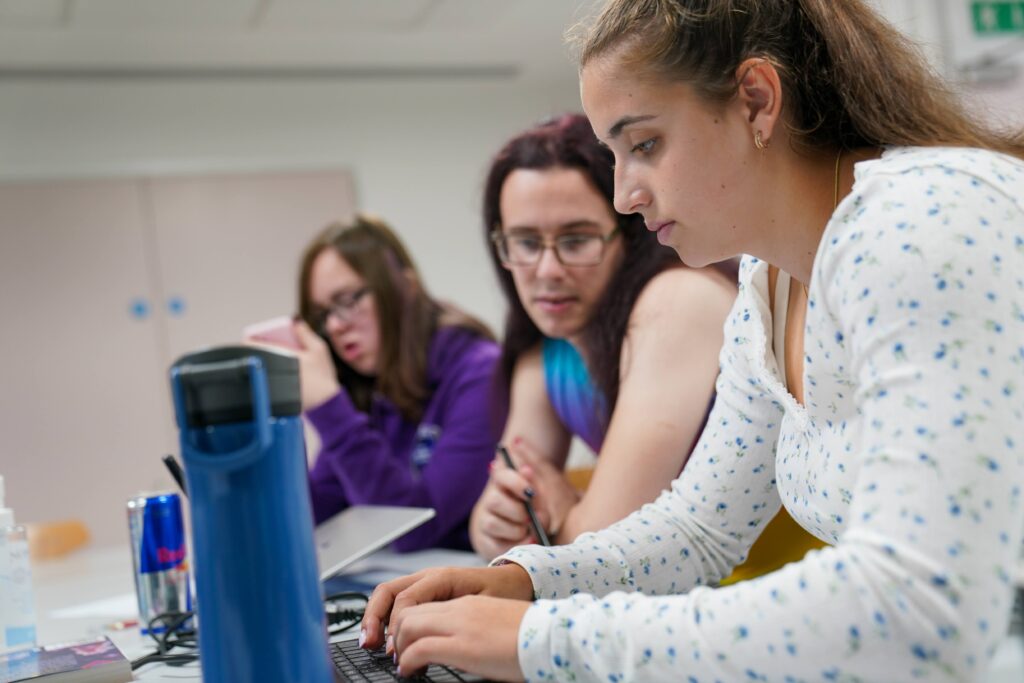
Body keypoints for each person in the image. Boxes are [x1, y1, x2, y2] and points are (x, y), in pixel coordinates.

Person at [358, 1, 1024, 680]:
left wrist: (541, 638)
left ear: (757, 102)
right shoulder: (770, 285)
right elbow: (698, 529)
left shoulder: (921, 222)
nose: (622, 196)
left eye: (643, 144)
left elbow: (917, 612)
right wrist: (529, 580)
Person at [469, 113, 740, 561]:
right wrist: (499, 521)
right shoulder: (549, 346)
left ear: (628, 237)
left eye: (576, 241)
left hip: (766, 591)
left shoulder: (678, 300)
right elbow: (498, 522)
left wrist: (562, 512)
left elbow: (603, 545)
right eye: (526, 243)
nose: (547, 271)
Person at [266, 213, 501, 552]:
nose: (333, 326)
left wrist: (330, 409)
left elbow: (412, 530)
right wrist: (278, 420)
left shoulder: (479, 372)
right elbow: (317, 518)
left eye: (348, 301)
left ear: (405, 287)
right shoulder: (366, 386)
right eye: (321, 314)